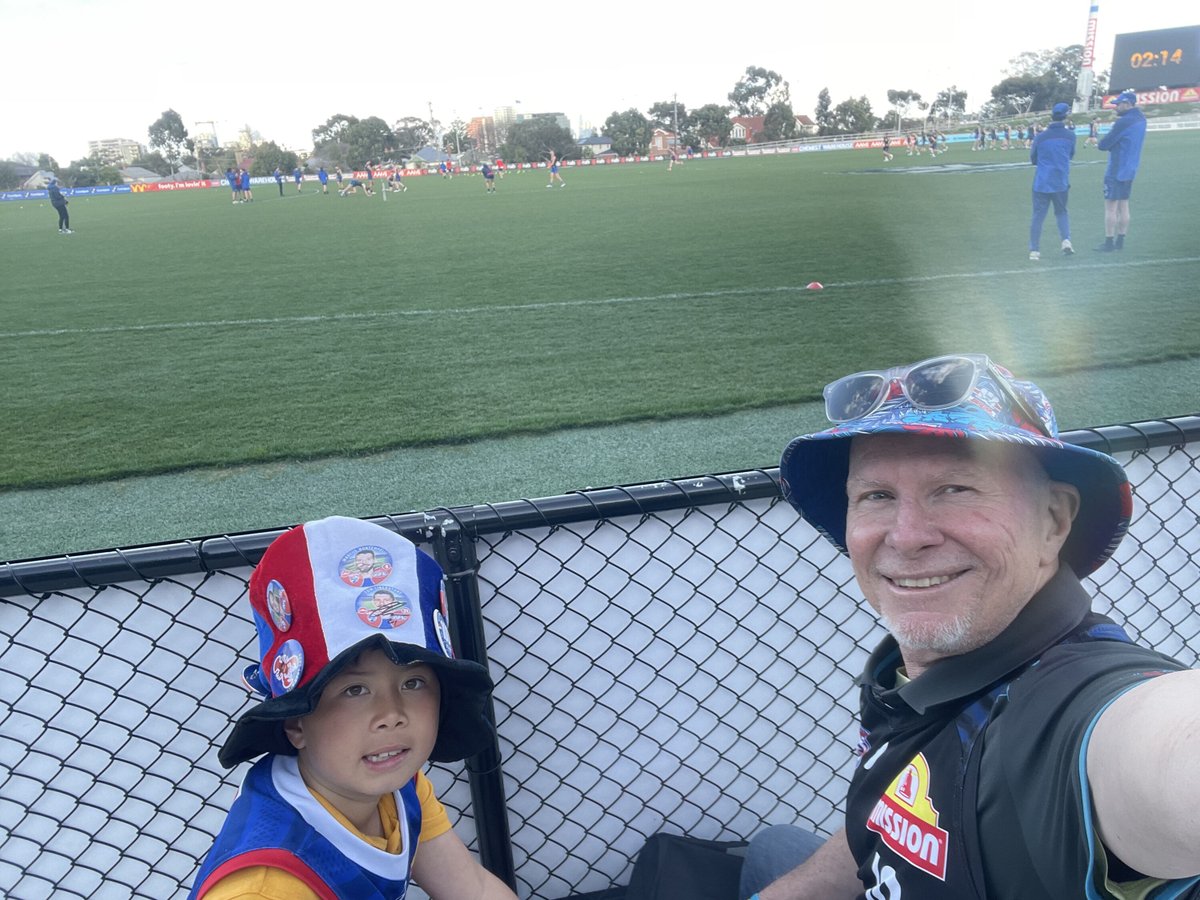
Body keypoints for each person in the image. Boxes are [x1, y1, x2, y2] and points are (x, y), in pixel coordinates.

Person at [740, 353, 1200, 900]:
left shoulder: (1074, 710)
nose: (907, 537)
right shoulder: (922, 678)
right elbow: (906, 806)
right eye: (877, 496)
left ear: (1054, 519)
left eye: (955, 488)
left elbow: (1167, 748)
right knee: (773, 848)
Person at [188, 515, 518, 900]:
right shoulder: (266, 889)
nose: (392, 714)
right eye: (354, 690)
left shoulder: (398, 787)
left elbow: (473, 889)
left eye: (413, 683)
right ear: (296, 722)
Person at [1096, 91, 1147, 252]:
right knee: (1124, 205)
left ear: (1127, 104)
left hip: (1116, 167)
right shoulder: (1141, 119)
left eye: (1118, 104)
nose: (1116, 107)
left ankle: (1109, 241)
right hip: (1131, 167)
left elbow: (1103, 145)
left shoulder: (1123, 122)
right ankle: (1121, 241)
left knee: (1111, 207)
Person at [1027, 101, 1076, 260]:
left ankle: (1034, 250)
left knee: (1038, 216)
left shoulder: (1040, 137)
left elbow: (1033, 159)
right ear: (1065, 117)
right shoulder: (1070, 136)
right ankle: (1066, 240)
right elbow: (1070, 155)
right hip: (1060, 181)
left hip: (1042, 181)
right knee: (1062, 212)